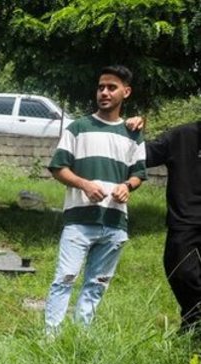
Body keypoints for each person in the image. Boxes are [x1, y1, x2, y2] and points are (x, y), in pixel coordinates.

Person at [43, 65, 146, 334]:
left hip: (114, 223)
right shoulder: (78, 128)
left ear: (126, 91)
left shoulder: (133, 132)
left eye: (112, 87)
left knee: (97, 283)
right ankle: (50, 339)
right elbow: (58, 168)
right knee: (64, 279)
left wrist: (127, 186)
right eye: (101, 87)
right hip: (79, 220)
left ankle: (80, 337)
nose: (104, 92)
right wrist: (84, 184)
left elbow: (138, 174)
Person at [135, 118, 201, 338]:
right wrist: (128, 131)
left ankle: (192, 330)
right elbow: (143, 154)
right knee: (181, 273)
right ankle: (194, 324)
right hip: (185, 222)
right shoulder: (182, 136)